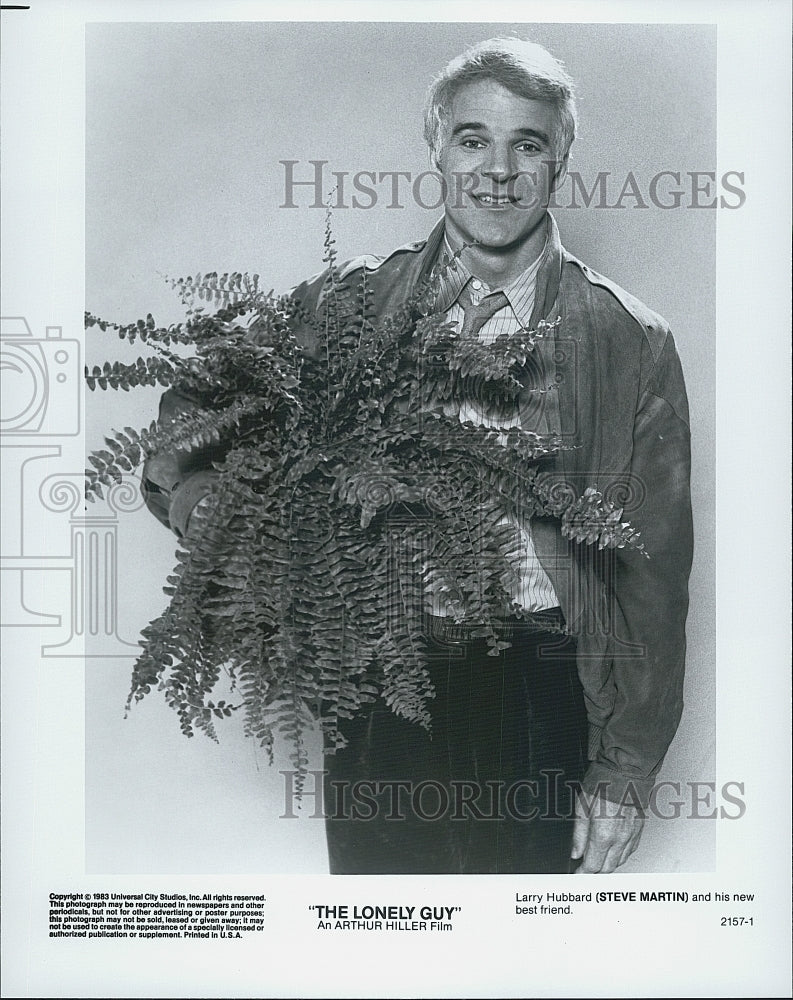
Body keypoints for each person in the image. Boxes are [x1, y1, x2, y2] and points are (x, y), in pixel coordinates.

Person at [142, 37, 693, 875]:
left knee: (516, 959)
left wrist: (623, 774)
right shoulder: (353, 303)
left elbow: (651, 580)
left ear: (561, 157)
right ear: (435, 147)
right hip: (369, 681)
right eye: (473, 139)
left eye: (527, 143)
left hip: (538, 690)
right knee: (376, 945)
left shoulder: (627, 340)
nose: (497, 170)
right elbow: (192, 416)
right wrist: (216, 512)